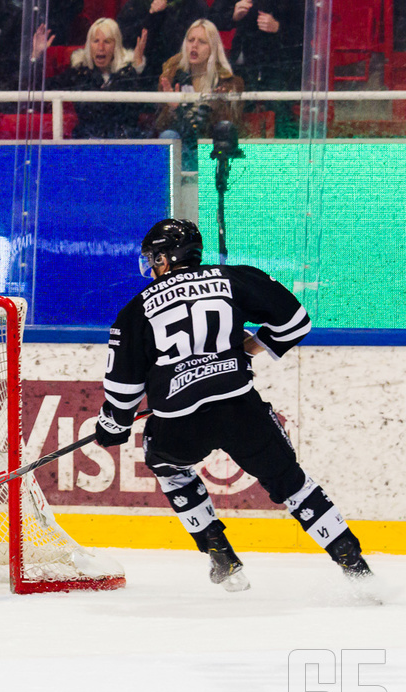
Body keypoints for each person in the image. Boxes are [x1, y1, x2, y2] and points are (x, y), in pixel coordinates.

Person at [93, 218, 374, 592]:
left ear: (166, 258)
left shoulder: (135, 311)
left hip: (180, 420)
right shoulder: (234, 278)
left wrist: (112, 427)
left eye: (155, 258)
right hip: (240, 408)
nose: (152, 265)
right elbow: (295, 324)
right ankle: (357, 568)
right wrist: (249, 349)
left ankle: (219, 554)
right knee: (291, 482)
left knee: (166, 462)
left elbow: (123, 389)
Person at [153, 18, 243, 171]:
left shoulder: (228, 83)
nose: (194, 45)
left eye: (202, 42)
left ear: (212, 48)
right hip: (182, 147)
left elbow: (231, 129)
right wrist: (173, 109)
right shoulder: (171, 77)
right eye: (190, 40)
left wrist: (216, 110)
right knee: (168, 135)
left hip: (209, 151)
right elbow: (159, 126)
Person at [40, 17, 152, 138]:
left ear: (116, 46)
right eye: (95, 41)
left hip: (124, 144)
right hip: (87, 143)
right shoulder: (79, 72)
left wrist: (137, 69)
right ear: (89, 45)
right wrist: (37, 57)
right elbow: (41, 87)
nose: (100, 47)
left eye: (107, 41)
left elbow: (144, 107)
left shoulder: (128, 73)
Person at [209, 0, 303, 138]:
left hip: (283, 64)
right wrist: (233, 16)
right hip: (245, 63)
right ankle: (237, 149)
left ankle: (283, 152)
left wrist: (278, 28)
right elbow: (211, 19)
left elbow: (308, 30)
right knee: (237, 106)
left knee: (280, 107)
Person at [117, 0, 208, 77]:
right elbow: (123, 40)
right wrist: (151, 15)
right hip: (142, 74)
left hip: (181, 72)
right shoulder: (137, 4)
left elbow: (184, 42)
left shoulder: (194, 4)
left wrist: (164, 13)